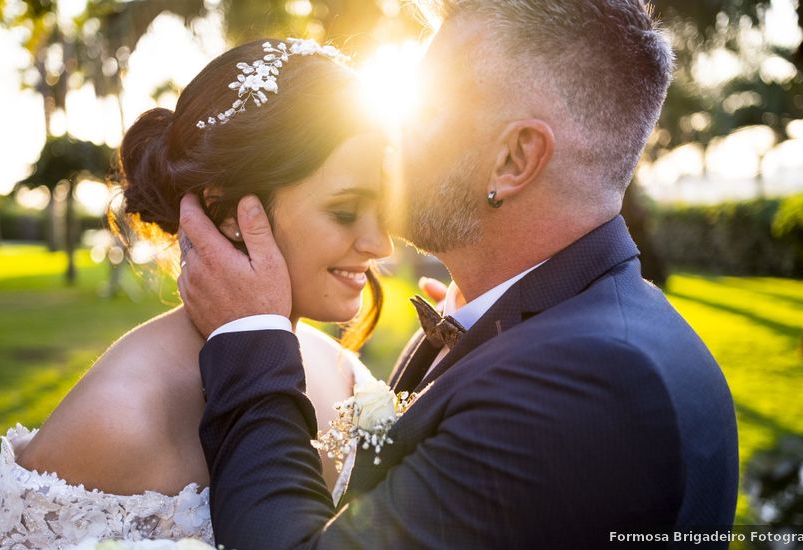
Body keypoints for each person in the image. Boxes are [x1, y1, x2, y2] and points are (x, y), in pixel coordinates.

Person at [176, 1, 740, 548]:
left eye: (424, 113)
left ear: (515, 159)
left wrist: (249, 336)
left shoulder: (587, 387)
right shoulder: (536, 325)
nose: (392, 133)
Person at [0, 38, 392, 549]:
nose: (380, 244)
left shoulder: (345, 371)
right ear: (228, 213)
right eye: (346, 211)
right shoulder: (117, 418)